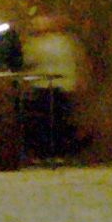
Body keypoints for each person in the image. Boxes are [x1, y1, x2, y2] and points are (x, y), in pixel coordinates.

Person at [23, 14, 89, 159]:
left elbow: (31, 59)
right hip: (57, 85)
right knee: (54, 120)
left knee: (53, 121)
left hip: (50, 86)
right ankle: (54, 152)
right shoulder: (65, 41)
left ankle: (53, 151)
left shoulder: (47, 43)